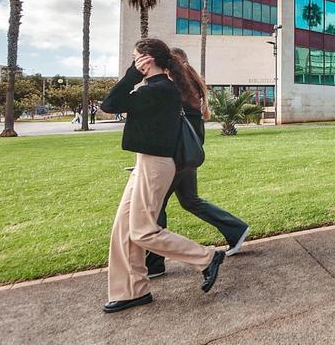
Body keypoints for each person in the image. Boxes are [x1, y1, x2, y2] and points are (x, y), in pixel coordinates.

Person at [100, 38, 225, 313]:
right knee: (123, 230)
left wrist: (133, 74)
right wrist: (137, 75)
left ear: (147, 60)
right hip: (146, 162)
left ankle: (206, 257)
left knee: (143, 231)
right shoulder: (157, 88)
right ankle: (132, 290)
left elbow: (109, 104)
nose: (133, 62)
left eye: (136, 58)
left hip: (156, 165)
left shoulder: (160, 89)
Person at [145, 47, 251, 279]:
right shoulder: (191, 83)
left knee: (157, 205)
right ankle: (236, 229)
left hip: (177, 156)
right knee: (190, 200)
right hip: (189, 154)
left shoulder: (176, 88)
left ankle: (154, 263)